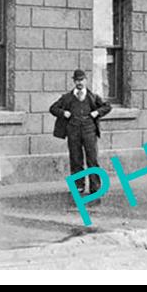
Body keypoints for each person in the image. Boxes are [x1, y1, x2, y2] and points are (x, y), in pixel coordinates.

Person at [49, 68, 112, 201]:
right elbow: (53, 108)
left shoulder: (93, 96)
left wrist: (96, 112)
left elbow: (107, 106)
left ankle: (95, 187)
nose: (80, 83)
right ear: (74, 81)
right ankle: (79, 186)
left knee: (92, 159)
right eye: (77, 80)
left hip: (89, 131)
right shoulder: (67, 98)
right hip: (73, 131)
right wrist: (63, 113)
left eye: (82, 80)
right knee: (76, 159)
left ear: (86, 80)